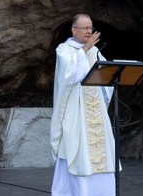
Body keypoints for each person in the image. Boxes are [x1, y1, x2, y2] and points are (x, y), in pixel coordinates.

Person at [50, 13, 116, 195]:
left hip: (96, 111)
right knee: (76, 149)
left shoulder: (95, 51)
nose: (89, 31)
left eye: (90, 28)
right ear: (74, 30)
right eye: (85, 28)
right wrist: (85, 49)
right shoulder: (64, 50)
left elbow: (105, 74)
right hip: (76, 111)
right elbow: (69, 76)